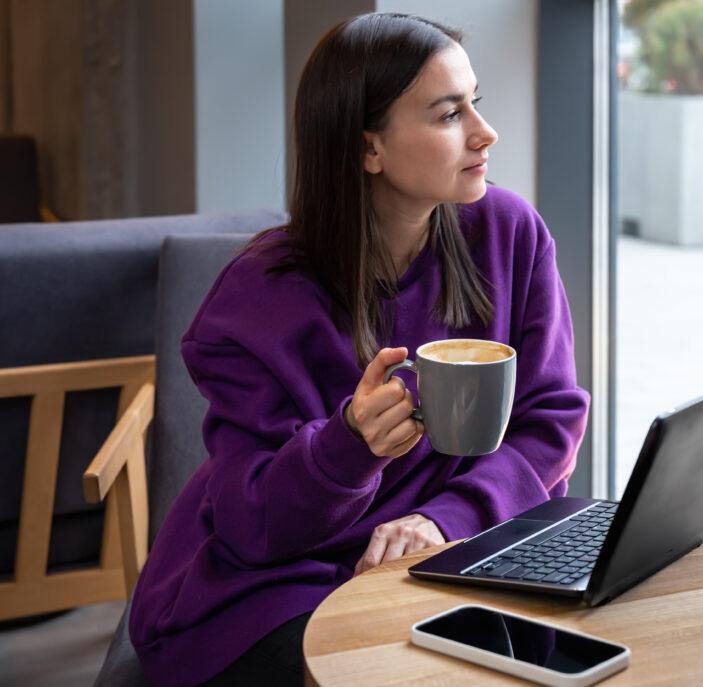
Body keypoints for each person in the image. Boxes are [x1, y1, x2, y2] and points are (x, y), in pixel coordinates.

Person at [128, 12, 589, 687]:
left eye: (476, 104)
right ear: (368, 147)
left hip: (450, 554)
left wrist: (443, 518)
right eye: (447, 114)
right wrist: (345, 446)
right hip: (278, 585)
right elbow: (249, 524)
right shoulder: (253, 300)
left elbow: (551, 419)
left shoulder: (510, 233)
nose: (485, 133)